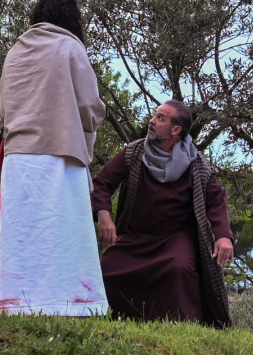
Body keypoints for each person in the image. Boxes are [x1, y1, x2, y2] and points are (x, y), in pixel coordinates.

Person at [0, 0, 108, 316]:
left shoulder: (15, 51)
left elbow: (5, 103)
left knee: (26, 233)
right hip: (60, 150)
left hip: (18, 156)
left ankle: (19, 304)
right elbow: (89, 104)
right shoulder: (70, 47)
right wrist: (86, 131)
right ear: (72, 19)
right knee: (65, 230)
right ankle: (74, 304)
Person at [91, 100, 233, 326]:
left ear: (176, 130)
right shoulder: (134, 152)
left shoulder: (197, 164)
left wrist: (224, 236)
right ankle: (107, 319)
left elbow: (216, 200)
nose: (152, 121)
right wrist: (103, 214)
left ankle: (183, 328)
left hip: (175, 238)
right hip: (135, 237)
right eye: (155, 115)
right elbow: (101, 183)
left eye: (160, 118)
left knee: (180, 269)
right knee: (105, 270)